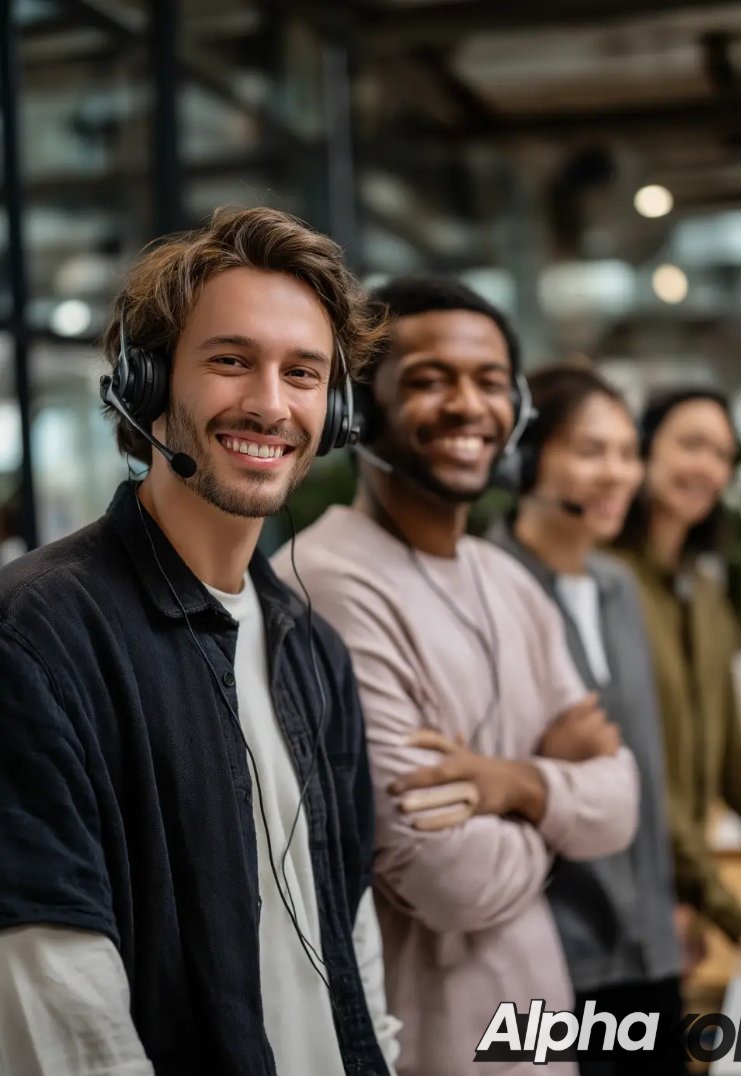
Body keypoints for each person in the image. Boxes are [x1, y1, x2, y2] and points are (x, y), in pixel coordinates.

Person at [0, 205, 397, 1076]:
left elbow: (352, 939)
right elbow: (62, 1015)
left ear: (331, 412)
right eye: (230, 361)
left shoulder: (312, 650)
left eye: (302, 373)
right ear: (145, 384)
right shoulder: (38, 637)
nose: (268, 403)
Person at [272, 277, 639, 1076]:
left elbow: (625, 802)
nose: (467, 406)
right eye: (431, 380)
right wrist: (560, 796)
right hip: (428, 1046)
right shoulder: (329, 584)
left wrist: (509, 785)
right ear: (359, 410)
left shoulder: (505, 577)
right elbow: (446, 878)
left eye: (489, 382)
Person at [486, 364, 689, 1075]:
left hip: (649, 949)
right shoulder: (488, 583)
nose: (617, 474)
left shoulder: (618, 585)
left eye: (627, 452)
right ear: (525, 458)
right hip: (553, 964)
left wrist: (667, 913)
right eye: (589, 450)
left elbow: (648, 776)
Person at [614, 386, 741, 954]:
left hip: (681, 888)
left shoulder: (705, 589)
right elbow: (634, 770)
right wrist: (737, 921)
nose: (709, 467)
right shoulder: (605, 584)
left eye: (722, 454)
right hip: (621, 895)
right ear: (643, 451)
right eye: (691, 444)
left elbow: (732, 760)